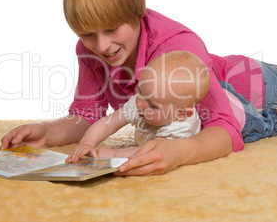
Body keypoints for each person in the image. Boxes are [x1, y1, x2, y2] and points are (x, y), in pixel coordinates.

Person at [0, 0, 277, 176]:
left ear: (136, 13)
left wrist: (177, 153)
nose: (101, 46)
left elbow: (225, 129)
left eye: (112, 29)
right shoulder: (90, 51)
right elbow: (87, 117)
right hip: (236, 80)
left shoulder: (176, 46)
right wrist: (49, 132)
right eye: (87, 34)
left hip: (253, 90)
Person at [66, 51, 210, 162]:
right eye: (140, 91)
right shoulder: (143, 100)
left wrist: (114, 154)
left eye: (153, 105)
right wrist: (86, 143)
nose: (140, 104)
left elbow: (151, 151)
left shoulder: (179, 127)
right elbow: (109, 123)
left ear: (181, 114)